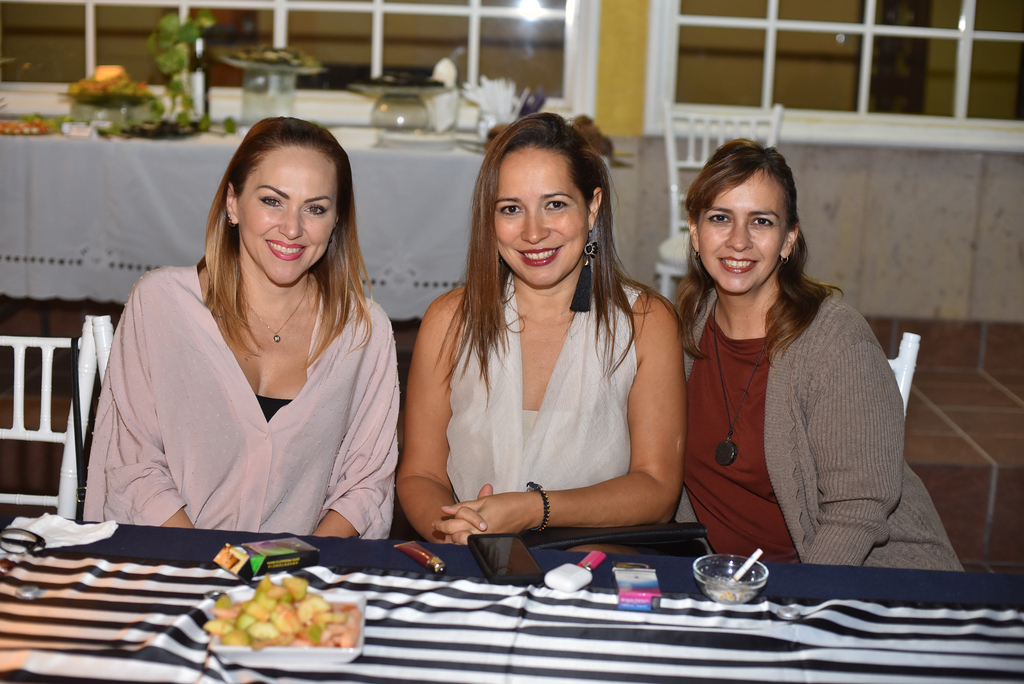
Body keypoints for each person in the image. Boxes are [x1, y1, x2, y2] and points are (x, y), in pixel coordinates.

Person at [85, 117, 399, 537]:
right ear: (233, 203)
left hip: (303, 569)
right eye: (272, 201)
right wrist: (210, 563)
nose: (293, 228)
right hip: (174, 558)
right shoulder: (160, 304)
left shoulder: (364, 333)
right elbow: (133, 466)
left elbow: (365, 487)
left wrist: (289, 567)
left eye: (315, 208)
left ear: (336, 220)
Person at [397, 113, 686, 544]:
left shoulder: (645, 324)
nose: (533, 233)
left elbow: (657, 489)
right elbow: (421, 473)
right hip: (470, 560)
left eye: (555, 204)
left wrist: (534, 509)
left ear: (592, 207)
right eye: (511, 209)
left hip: (591, 566)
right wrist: (453, 535)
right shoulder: (448, 320)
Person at [674, 138, 961, 570]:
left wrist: (794, 600)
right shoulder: (686, 329)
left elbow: (857, 511)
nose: (738, 240)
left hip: (856, 582)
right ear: (695, 233)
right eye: (720, 218)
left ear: (788, 239)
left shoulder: (836, 343)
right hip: (733, 582)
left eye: (761, 221)